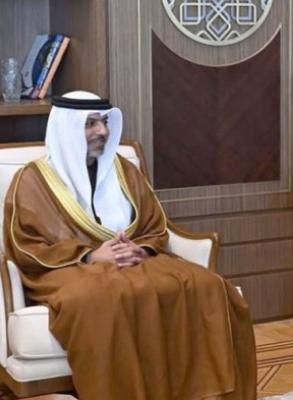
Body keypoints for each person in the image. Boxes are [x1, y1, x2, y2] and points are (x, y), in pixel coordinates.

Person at [3, 91, 256, 400]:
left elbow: (154, 224)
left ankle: (206, 393)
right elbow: (26, 243)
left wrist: (142, 249)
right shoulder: (32, 180)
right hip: (66, 267)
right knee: (99, 298)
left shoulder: (123, 171)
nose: (102, 131)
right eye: (91, 124)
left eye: (104, 122)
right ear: (67, 128)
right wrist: (91, 255)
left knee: (208, 284)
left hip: (134, 258)